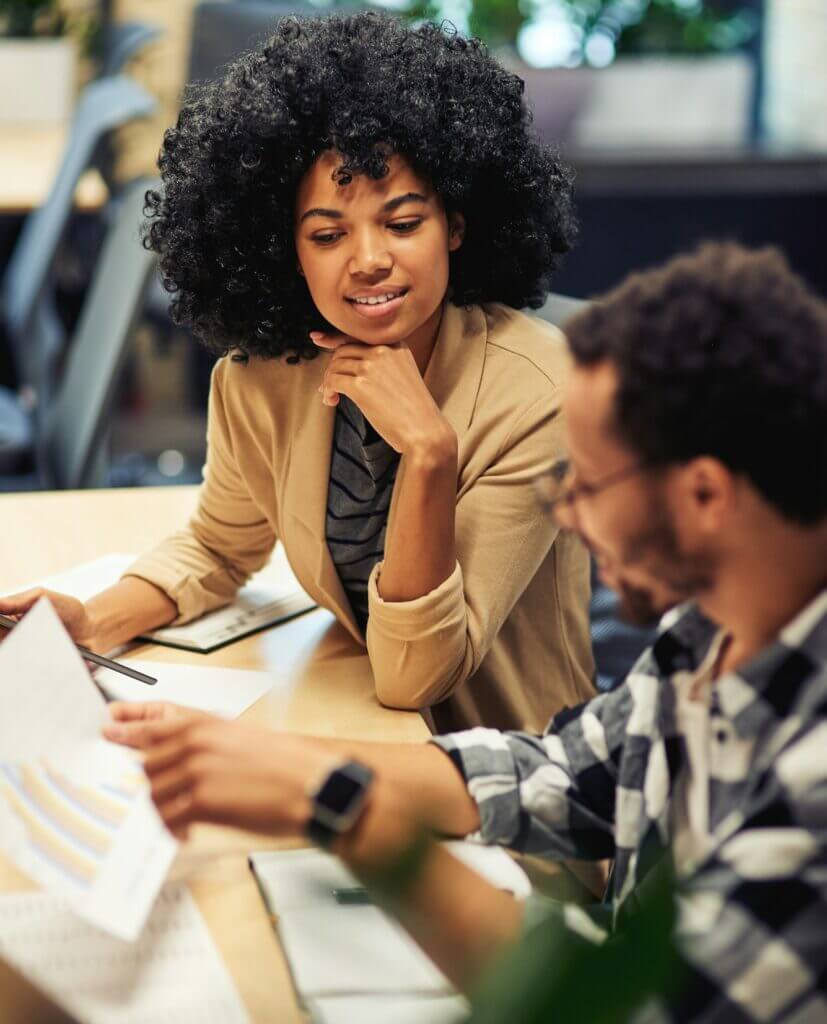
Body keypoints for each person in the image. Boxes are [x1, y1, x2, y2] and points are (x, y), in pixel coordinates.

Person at [104, 243, 827, 1020]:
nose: (569, 515)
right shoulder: (710, 633)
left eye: (585, 484)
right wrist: (265, 761)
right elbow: (563, 774)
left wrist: (349, 812)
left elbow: (612, 1008)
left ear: (705, 494)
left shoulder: (809, 779)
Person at [0, 13, 595, 733]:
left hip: (508, 788)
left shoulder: (534, 390)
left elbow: (417, 677)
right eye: (327, 234)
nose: (369, 258)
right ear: (285, 248)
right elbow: (219, 546)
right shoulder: (264, 377)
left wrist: (430, 453)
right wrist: (89, 622)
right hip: (350, 726)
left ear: (456, 225)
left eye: (402, 223)